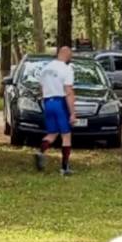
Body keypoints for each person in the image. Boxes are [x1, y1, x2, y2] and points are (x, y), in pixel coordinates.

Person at [33, 45, 77, 176]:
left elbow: (40, 87)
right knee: (66, 135)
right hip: (59, 102)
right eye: (70, 56)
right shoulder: (67, 69)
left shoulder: (46, 68)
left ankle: (40, 151)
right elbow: (68, 92)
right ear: (67, 55)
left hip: (48, 102)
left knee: (52, 133)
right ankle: (64, 167)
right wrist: (73, 113)